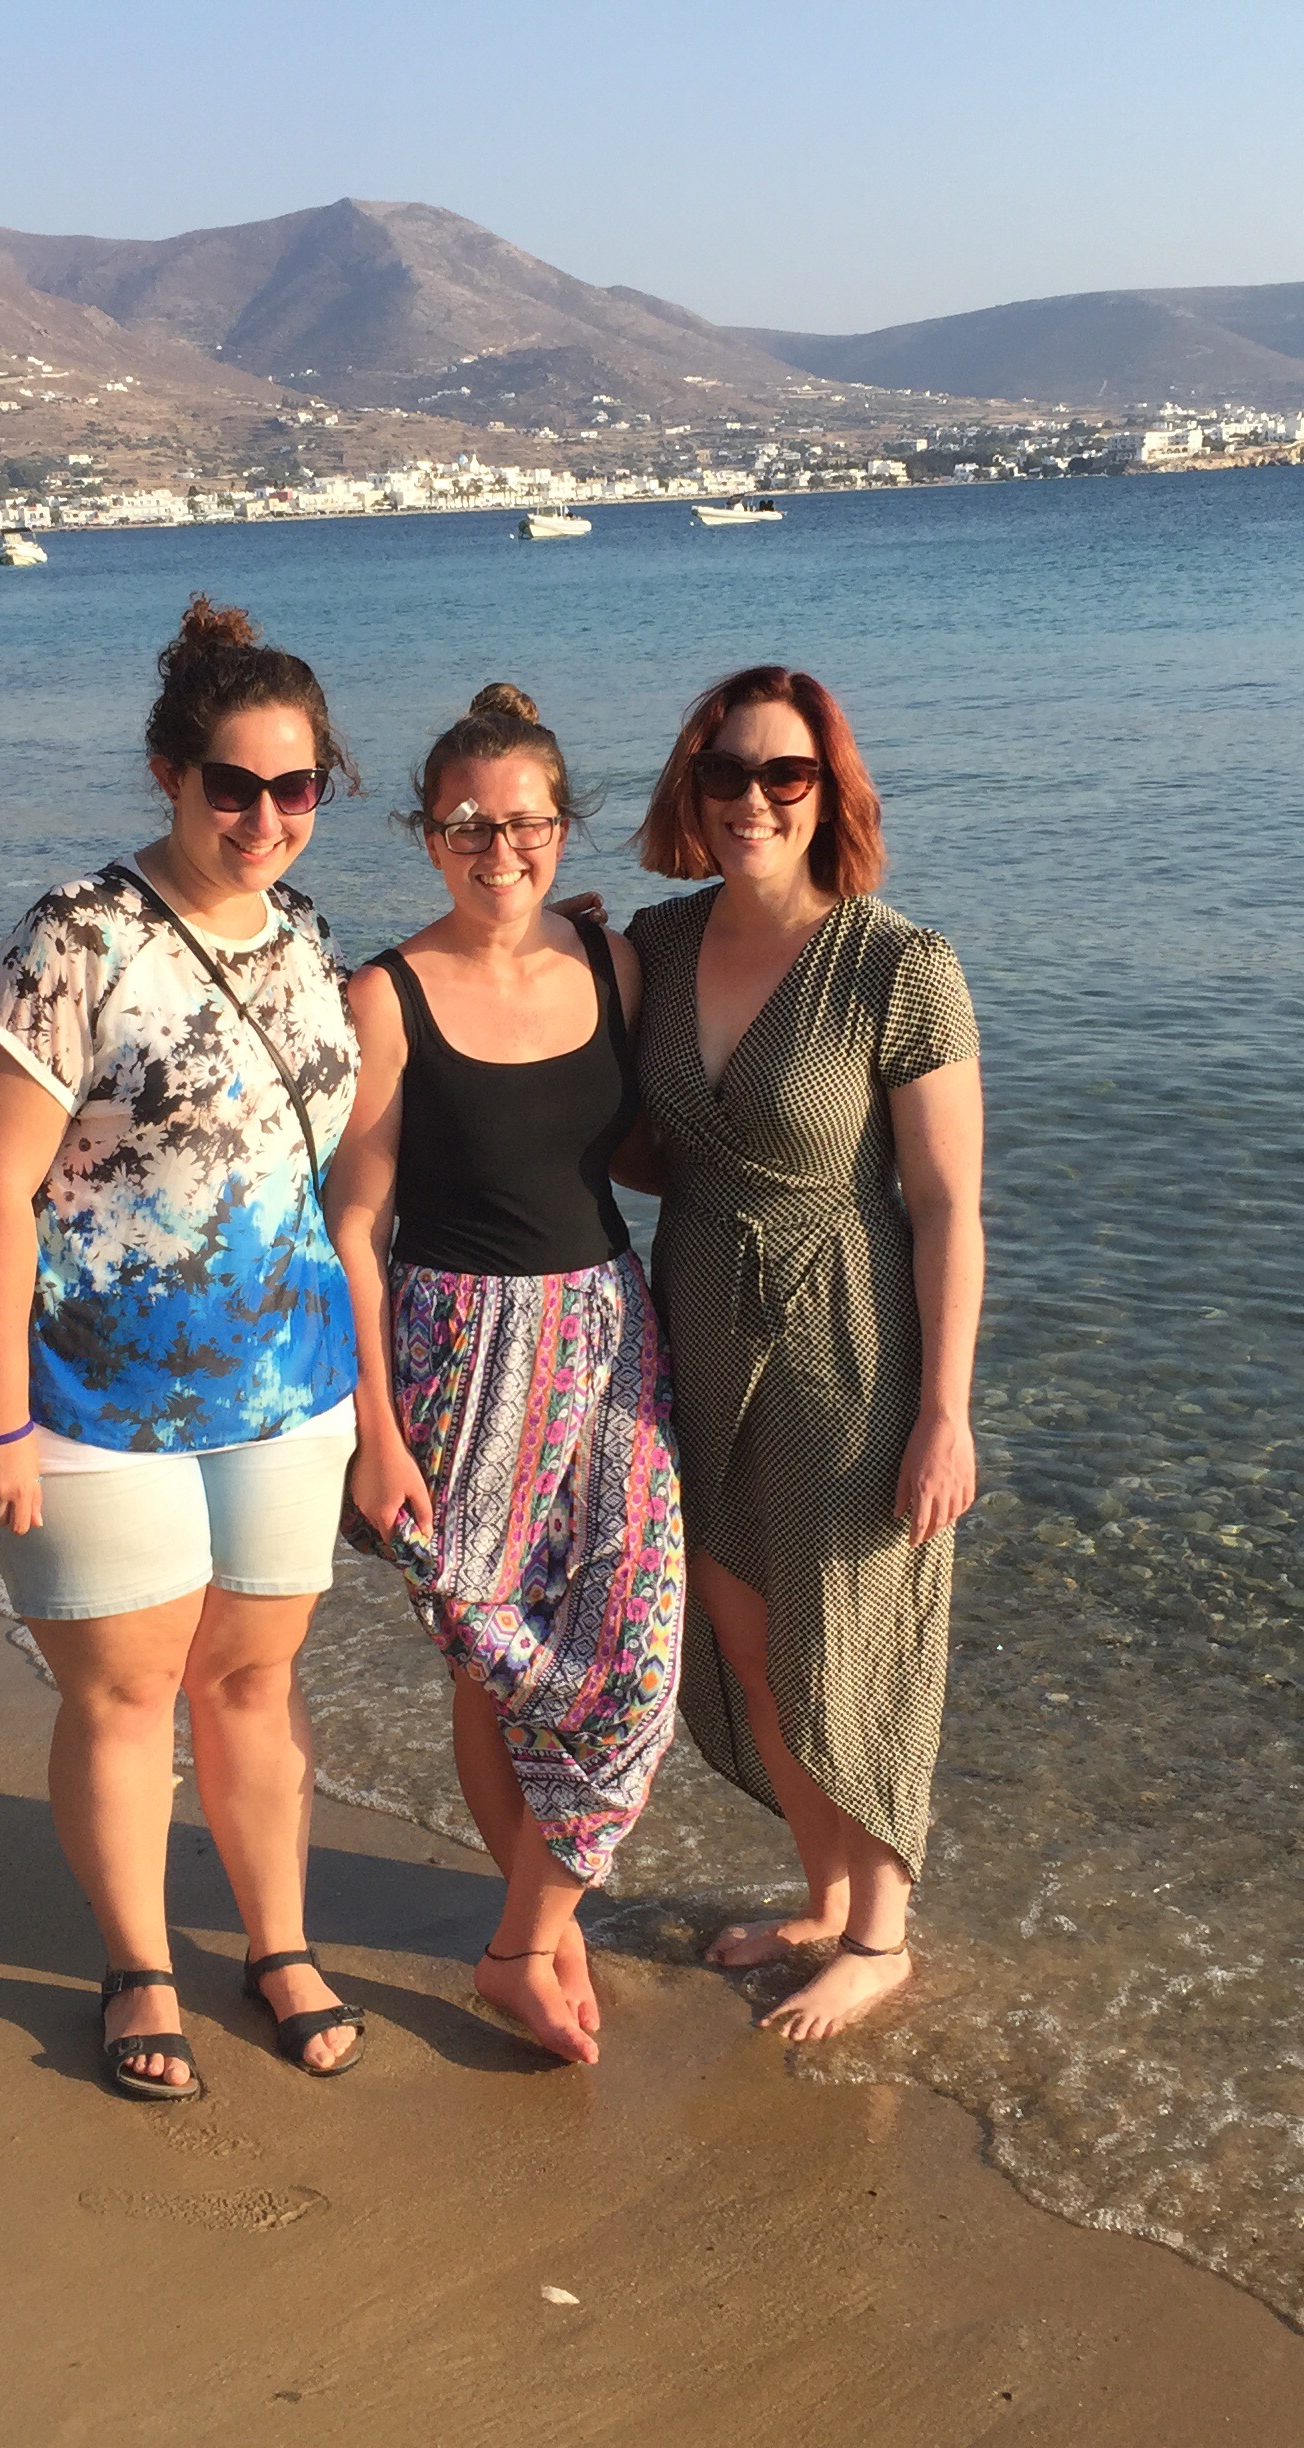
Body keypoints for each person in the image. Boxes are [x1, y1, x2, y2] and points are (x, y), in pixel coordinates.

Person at [0, 595, 369, 2099]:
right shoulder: (76, 938)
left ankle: (279, 1945)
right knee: (126, 1693)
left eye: (296, 787)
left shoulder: (309, 937)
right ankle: (139, 1965)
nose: (265, 818)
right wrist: (0, 1420)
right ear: (168, 775)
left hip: (288, 1384)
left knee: (253, 1680)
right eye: (232, 786)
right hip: (92, 1391)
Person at [621, 665, 984, 2042]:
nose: (754, 800)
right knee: (746, 1633)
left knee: (853, 1640)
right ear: (692, 788)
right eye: (726, 773)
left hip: (851, 1334)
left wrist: (945, 1412)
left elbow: (947, 1207)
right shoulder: (658, 945)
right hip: (700, 1322)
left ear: (830, 793)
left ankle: (881, 1939)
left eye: (786, 775)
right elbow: (643, 1138)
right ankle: (828, 1896)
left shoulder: (900, 965)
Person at [326, 685, 685, 2065]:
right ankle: (534, 1932)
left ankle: (526, 1934)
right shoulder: (387, 994)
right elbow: (355, 1226)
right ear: (428, 837)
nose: (499, 849)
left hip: (610, 1334)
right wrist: (377, 1430)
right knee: (495, 1658)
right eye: (467, 826)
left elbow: (649, 1141)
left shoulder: (612, 963)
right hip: (456, 1350)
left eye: (524, 822)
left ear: (561, 828)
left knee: (634, 1654)